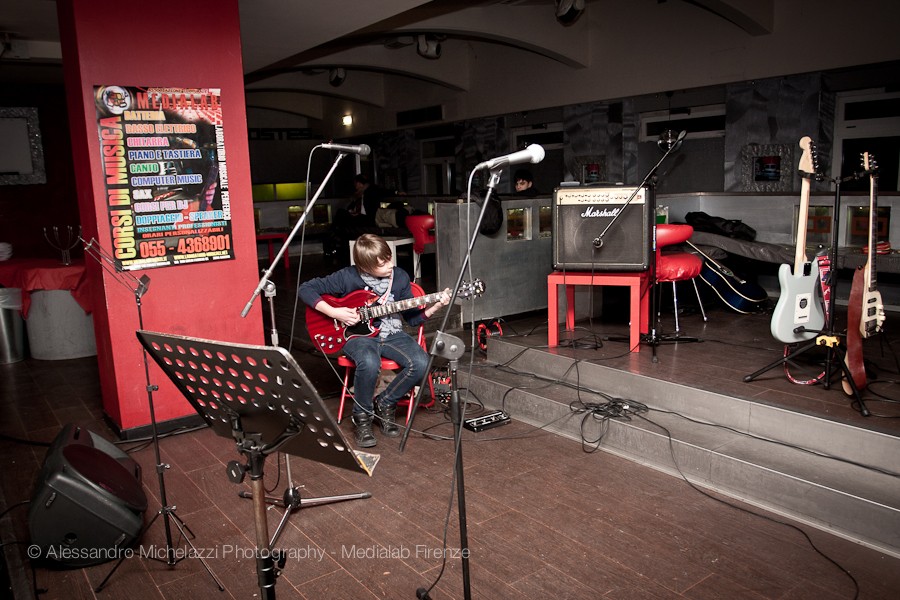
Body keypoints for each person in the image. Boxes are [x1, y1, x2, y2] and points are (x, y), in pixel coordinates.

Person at [300, 233, 451, 448]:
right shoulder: (348, 277)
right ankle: (362, 418)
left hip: (391, 333)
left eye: (389, 258)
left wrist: (435, 306)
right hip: (356, 336)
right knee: (370, 363)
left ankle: (386, 402)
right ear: (365, 266)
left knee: (421, 363)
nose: (390, 265)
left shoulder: (398, 277)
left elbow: (412, 319)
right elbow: (305, 289)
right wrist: (335, 313)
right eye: (382, 264)